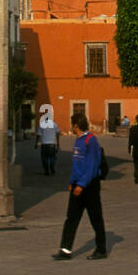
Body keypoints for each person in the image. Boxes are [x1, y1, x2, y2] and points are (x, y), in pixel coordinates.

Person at [53, 113, 107, 260]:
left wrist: (82, 185)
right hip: (77, 184)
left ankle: (101, 249)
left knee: (95, 218)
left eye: (72, 124)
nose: (71, 126)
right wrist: (72, 182)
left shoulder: (91, 141)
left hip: (90, 186)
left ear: (76, 125)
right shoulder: (78, 141)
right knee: (71, 218)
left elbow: (92, 166)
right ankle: (65, 249)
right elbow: (77, 165)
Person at [34, 108, 60, 176]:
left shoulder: (42, 124)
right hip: (52, 144)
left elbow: (38, 135)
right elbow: (57, 134)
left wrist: (36, 143)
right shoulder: (55, 124)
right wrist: (58, 143)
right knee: (52, 157)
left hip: (44, 144)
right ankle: (52, 166)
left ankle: (46, 170)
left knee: (44, 157)